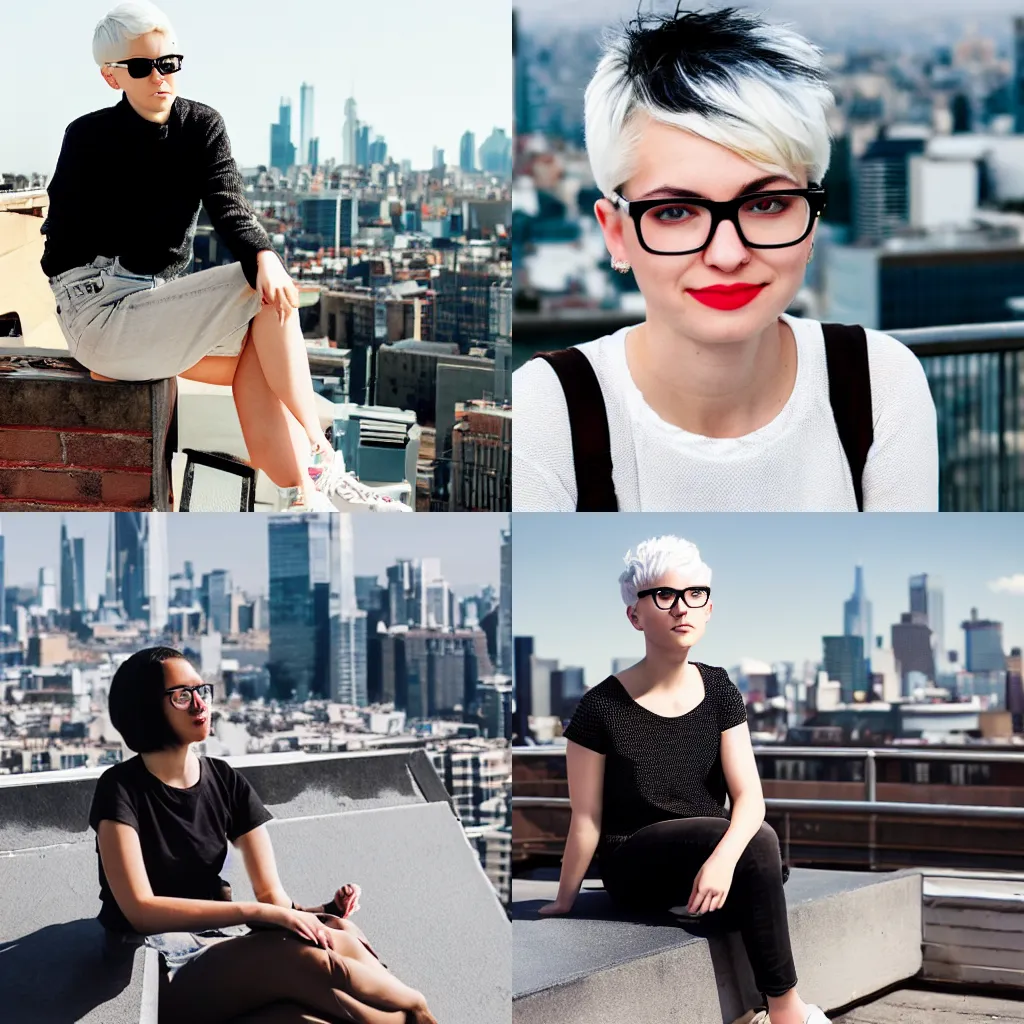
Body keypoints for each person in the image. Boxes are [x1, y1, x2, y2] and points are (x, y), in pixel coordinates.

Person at [512, 7, 938, 513]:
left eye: (766, 205)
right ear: (616, 233)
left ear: (813, 218)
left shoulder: (880, 385)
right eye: (675, 212)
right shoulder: (545, 411)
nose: (728, 254)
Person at [42, 2, 409, 513]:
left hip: (151, 309)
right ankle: (323, 455)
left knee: (261, 344)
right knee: (252, 287)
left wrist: (266, 254)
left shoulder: (201, 126)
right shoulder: (88, 137)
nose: (160, 77)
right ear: (111, 77)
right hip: (99, 311)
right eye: (142, 67)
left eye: (169, 63)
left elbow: (228, 206)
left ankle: (303, 494)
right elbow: (59, 246)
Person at [539, 536, 829, 1024]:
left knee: (759, 858)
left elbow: (749, 798)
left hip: (705, 851)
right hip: (635, 861)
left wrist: (720, 861)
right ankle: (787, 1014)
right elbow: (585, 819)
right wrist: (564, 900)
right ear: (635, 615)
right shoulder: (598, 708)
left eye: (694, 594)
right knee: (760, 851)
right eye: (664, 596)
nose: (681, 608)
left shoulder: (718, 687)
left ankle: (751, 1012)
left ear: (709, 607)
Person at [90, 646, 438, 1024]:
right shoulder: (120, 789)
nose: (199, 704)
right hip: (153, 965)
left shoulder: (224, 780)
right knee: (306, 959)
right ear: (147, 707)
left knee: (332, 943)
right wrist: (258, 912)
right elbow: (140, 910)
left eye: (201, 690)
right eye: (181, 695)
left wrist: (323, 912)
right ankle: (417, 1010)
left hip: (216, 944)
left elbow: (272, 897)